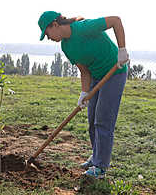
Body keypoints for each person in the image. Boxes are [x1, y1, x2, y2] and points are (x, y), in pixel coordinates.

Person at [38, 11, 129, 179]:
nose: (48, 38)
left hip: (114, 71)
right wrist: (84, 93)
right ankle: (96, 156)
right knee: (92, 118)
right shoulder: (66, 46)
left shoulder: (83, 28)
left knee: (103, 120)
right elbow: (84, 71)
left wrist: (122, 50)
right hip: (95, 76)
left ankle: (100, 167)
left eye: (47, 33)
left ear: (55, 25)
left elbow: (116, 20)